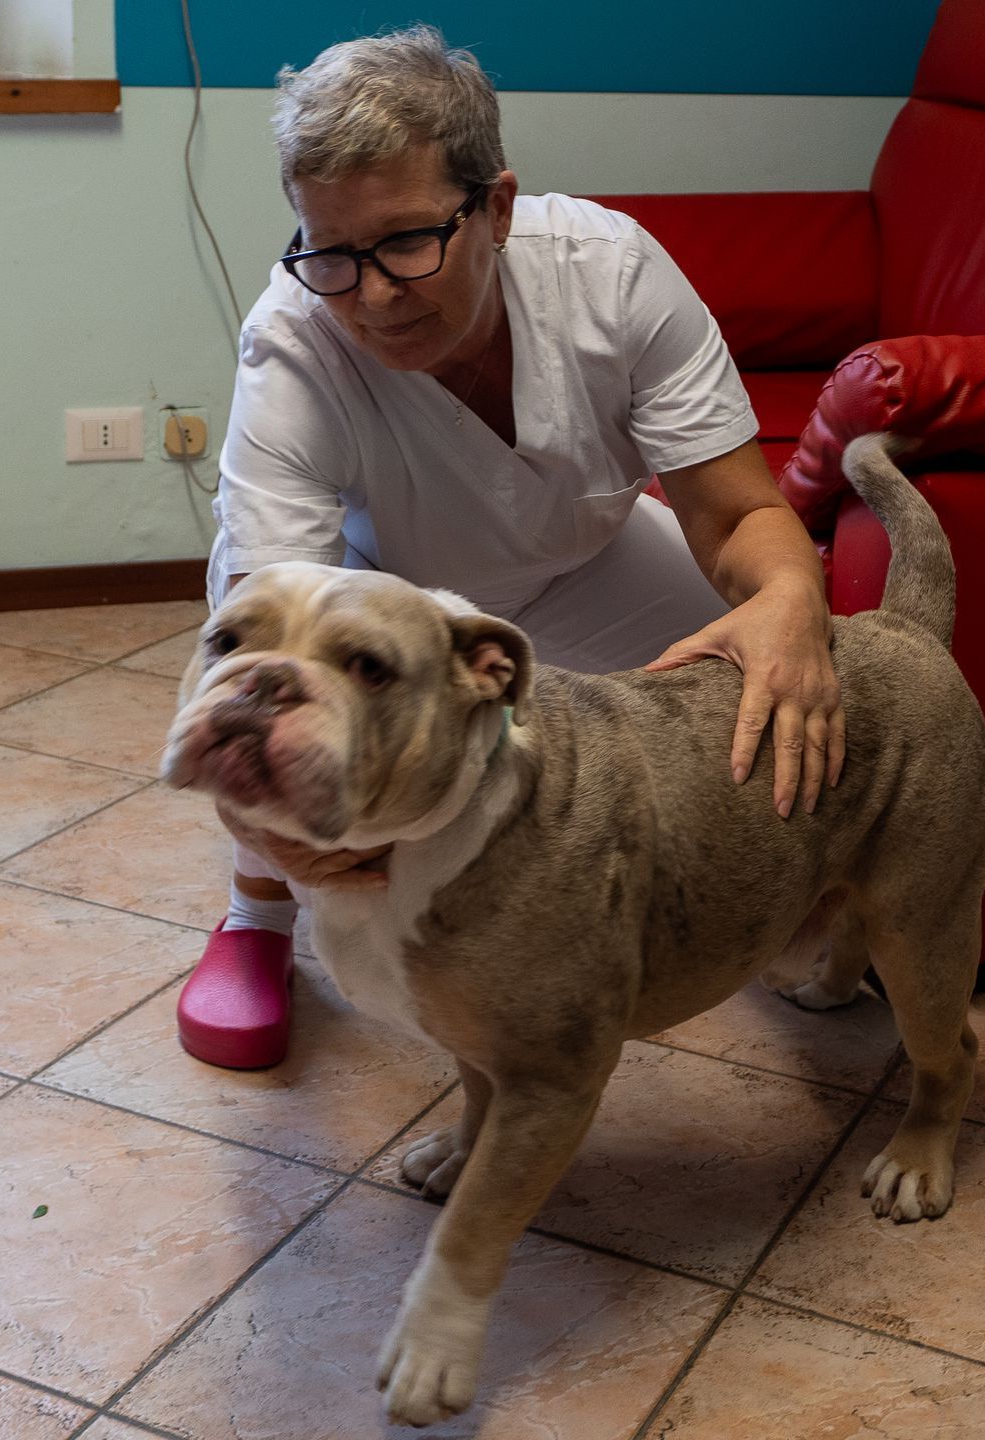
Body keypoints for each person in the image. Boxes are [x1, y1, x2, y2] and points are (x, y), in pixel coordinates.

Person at [179, 25, 844, 1069]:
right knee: (283, 707)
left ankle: (738, 892)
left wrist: (794, 603)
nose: (372, 294)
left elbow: (736, 517)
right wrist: (270, 814)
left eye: (406, 242)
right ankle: (256, 914)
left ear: (495, 207)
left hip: (587, 558)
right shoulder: (293, 335)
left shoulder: (612, 275)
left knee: (765, 679)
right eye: (332, 252)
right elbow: (272, 614)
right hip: (369, 593)